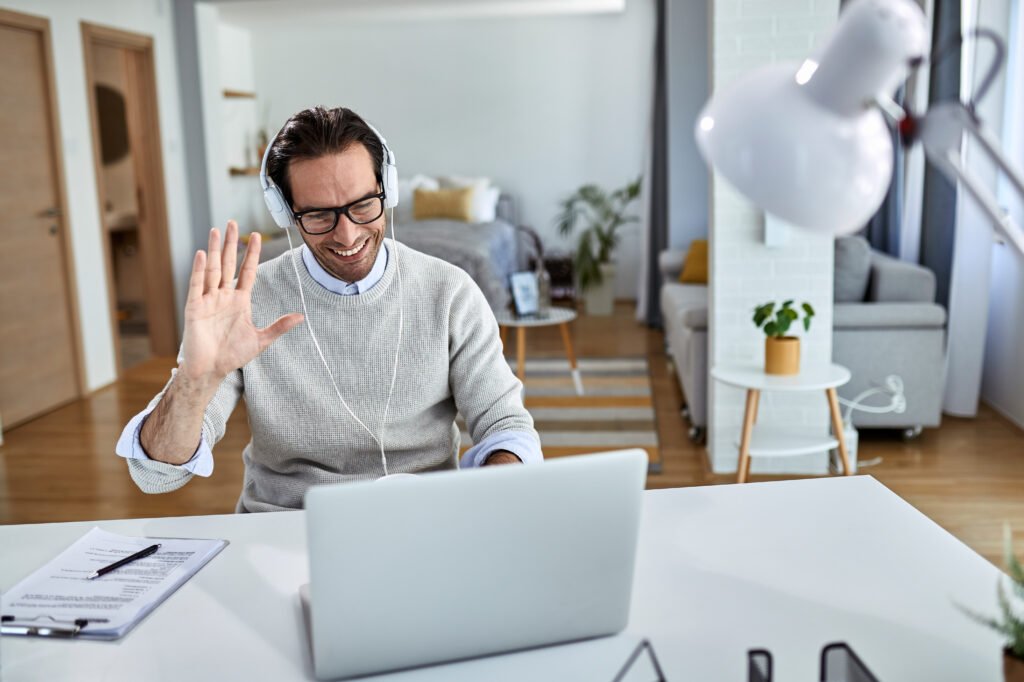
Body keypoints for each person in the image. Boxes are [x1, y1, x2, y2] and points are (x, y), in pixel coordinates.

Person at [115, 106, 541, 512]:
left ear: (386, 190)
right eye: (319, 215)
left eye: (362, 205)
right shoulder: (249, 301)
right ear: (286, 213)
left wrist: (488, 498)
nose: (347, 234)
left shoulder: (449, 291)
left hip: (423, 522)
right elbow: (155, 476)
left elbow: (508, 427)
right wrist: (195, 380)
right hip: (284, 525)